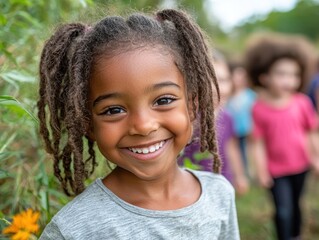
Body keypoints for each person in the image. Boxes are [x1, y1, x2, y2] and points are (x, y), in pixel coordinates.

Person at [37, 9, 240, 239]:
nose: (143, 126)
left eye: (163, 100)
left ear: (193, 105)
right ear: (87, 123)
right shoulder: (74, 229)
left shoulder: (219, 195)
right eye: (114, 110)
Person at [245, 34, 319, 240]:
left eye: (293, 74)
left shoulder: (302, 102)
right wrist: (261, 170)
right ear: (264, 77)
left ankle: (296, 235)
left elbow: (311, 132)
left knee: (297, 205)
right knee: (283, 210)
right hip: (276, 171)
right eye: (281, 74)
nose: (289, 80)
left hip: (301, 165)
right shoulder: (259, 108)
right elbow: (257, 143)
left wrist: (316, 158)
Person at [178, 51, 249, 196]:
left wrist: (240, 175)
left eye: (223, 80)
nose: (217, 87)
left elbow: (231, 148)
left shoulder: (228, 116)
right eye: (208, 80)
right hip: (191, 186)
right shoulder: (189, 117)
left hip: (222, 182)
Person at [226, 60, 256, 177]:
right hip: (233, 132)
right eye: (237, 75)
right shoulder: (228, 96)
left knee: (246, 151)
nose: (240, 79)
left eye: (243, 76)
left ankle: (248, 171)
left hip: (247, 131)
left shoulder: (250, 95)